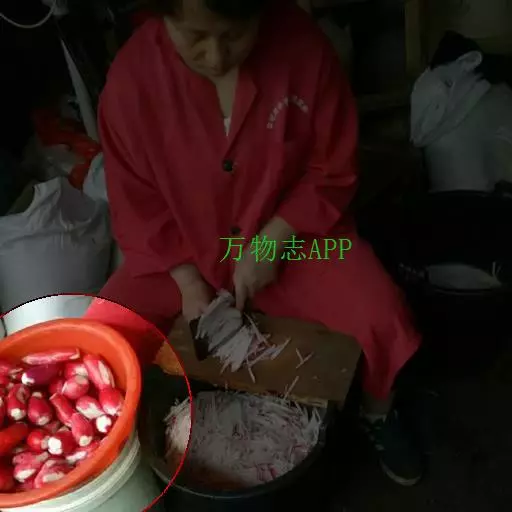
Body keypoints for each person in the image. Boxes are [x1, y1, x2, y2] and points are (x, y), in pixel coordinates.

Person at [84, 0, 423, 486]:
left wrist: (274, 241)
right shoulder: (130, 84)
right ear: (163, 17)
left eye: (234, 36)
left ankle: (377, 412)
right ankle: (108, 455)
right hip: (179, 249)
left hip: (297, 240)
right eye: (194, 37)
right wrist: (188, 282)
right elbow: (138, 202)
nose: (216, 55)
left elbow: (332, 169)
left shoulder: (306, 52)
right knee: (101, 337)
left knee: (380, 314)